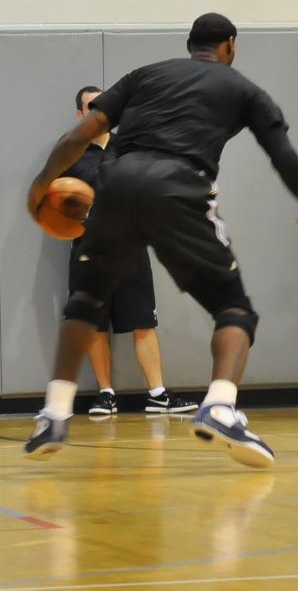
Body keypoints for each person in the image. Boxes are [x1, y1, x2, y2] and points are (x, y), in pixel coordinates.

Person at [23, 13, 298, 466]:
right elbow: (281, 154)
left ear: (189, 43)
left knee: (85, 301)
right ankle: (221, 407)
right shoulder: (242, 88)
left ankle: (53, 412)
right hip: (179, 186)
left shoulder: (144, 75)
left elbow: (80, 134)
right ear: (229, 45)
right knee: (234, 309)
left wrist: (40, 184)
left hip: (116, 185)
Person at [62, 86, 198, 417]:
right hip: (90, 251)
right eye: (91, 106)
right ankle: (105, 395)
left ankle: (158, 394)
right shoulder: (69, 154)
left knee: (143, 322)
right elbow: (57, 206)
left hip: (131, 248)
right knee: (94, 325)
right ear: (80, 114)